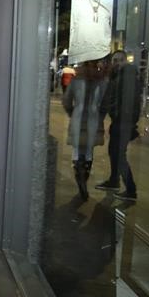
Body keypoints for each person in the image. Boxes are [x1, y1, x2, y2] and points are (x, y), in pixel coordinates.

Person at [96, 50, 141, 201]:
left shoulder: (127, 75)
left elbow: (129, 102)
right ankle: (114, 180)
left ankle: (131, 189)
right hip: (119, 121)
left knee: (119, 155)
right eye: (114, 60)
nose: (117, 63)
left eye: (120, 60)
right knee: (113, 152)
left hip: (123, 122)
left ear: (125, 60)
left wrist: (127, 122)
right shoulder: (118, 76)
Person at [62, 58, 109, 200]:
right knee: (89, 150)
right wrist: (100, 117)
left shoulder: (76, 80)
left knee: (77, 149)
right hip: (93, 119)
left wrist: (72, 113)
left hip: (78, 118)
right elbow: (105, 104)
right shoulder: (102, 81)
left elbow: (66, 101)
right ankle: (85, 175)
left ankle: (79, 175)